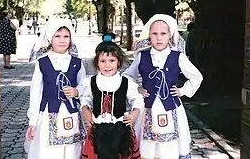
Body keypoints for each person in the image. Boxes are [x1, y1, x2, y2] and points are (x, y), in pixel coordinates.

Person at [123, 14, 203, 159]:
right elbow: (126, 77)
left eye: (163, 34)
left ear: (170, 35)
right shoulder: (142, 56)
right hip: (147, 108)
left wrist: (182, 90)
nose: (159, 38)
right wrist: (137, 89)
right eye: (154, 34)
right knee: (147, 144)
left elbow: (196, 77)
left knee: (170, 146)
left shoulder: (178, 57)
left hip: (172, 108)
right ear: (149, 35)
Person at [25, 20, 86, 159]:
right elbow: (35, 92)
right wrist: (33, 121)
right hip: (47, 114)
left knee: (71, 149)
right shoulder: (42, 62)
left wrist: (77, 91)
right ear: (50, 38)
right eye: (57, 36)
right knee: (48, 151)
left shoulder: (77, 63)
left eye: (66, 36)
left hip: (71, 115)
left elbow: (84, 85)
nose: (62, 40)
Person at [81, 41, 143, 159]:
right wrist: (86, 111)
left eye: (112, 61)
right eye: (103, 61)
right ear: (97, 63)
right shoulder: (91, 82)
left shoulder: (125, 82)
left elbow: (137, 99)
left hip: (120, 130)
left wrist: (134, 114)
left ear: (118, 62)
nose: (107, 65)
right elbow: (86, 99)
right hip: (97, 130)